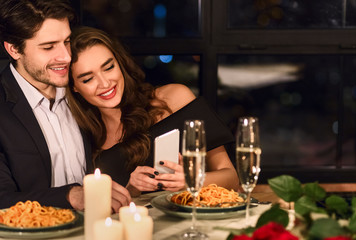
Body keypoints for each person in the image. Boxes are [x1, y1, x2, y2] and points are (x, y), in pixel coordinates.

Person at [0, 0, 130, 224]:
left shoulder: (80, 87)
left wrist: (131, 184)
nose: (66, 56)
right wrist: (71, 196)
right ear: (13, 48)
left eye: (67, 41)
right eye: (49, 47)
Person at [66, 26, 239, 197]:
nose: (104, 83)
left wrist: (191, 180)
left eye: (109, 68)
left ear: (120, 64)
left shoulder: (174, 99)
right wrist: (132, 189)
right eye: (88, 79)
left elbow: (232, 178)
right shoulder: (83, 140)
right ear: (74, 87)